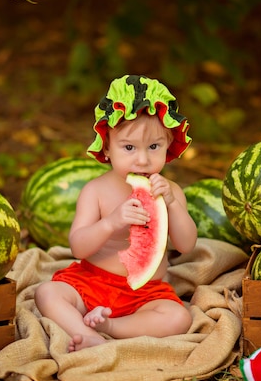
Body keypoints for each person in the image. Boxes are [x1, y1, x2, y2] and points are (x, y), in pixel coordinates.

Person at [34, 75, 197, 352]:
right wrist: (111, 223)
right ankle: (84, 333)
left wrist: (171, 204)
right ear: (107, 147)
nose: (143, 159)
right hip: (92, 282)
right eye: (129, 148)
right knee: (46, 293)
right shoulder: (95, 191)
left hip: (146, 292)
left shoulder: (169, 192)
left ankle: (109, 328)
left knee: (179, 317)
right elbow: (78, 247)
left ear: (169, 146)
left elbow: (187, 245)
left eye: (154, 147)